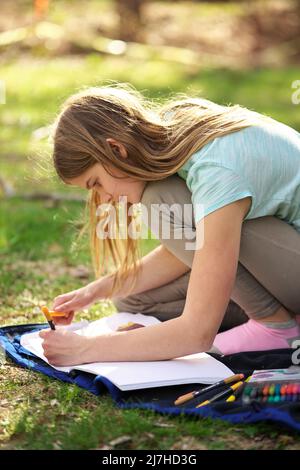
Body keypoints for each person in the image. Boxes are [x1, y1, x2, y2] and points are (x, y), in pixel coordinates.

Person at [39, 83, 300, 366]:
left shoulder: (216, 169)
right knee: (134, 300)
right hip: (283, 258)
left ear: (116, 149)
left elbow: (196, 334)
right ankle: (282, 316)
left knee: (162, 199)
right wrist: (96, 290)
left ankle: (276, 327)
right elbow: (201, 246)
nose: (105, 199)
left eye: (97, 183)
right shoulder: (173, 130)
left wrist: (84, 349)